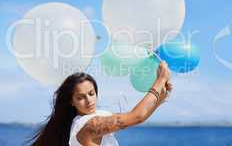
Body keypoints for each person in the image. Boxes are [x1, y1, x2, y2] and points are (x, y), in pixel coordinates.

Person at [29, 61, 172, 146]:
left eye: (91, 93)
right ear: (71, 101)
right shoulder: (89, 125)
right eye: (80, 97)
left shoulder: (98, 117)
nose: (89, 100)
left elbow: (138, 118)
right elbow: (136, 117)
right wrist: (160, 80)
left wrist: (159, 99)